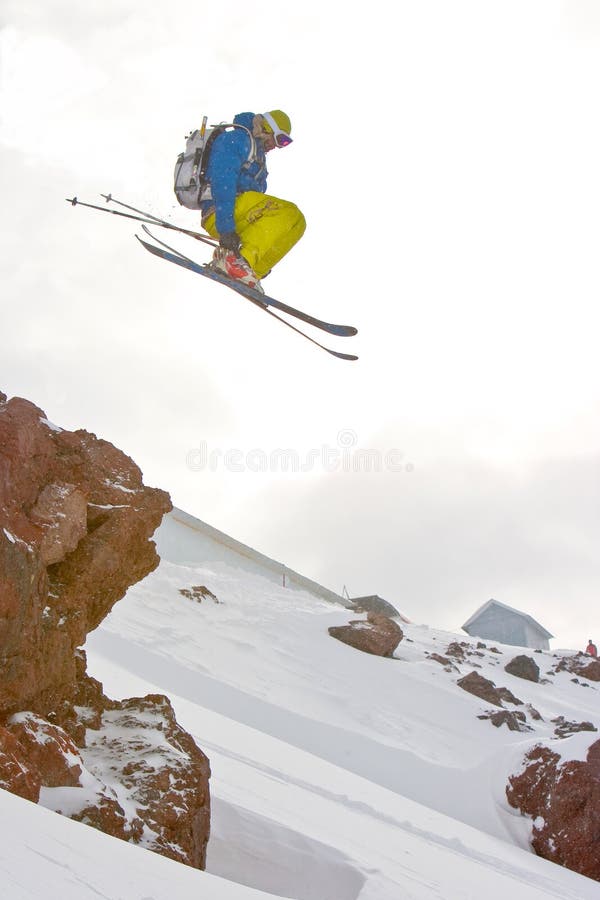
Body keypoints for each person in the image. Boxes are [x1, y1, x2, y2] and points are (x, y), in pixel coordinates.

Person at [199, 110, 306, 292]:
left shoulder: (258, 159)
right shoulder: (239, 139)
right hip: (222, 212)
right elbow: (222, 179)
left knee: (297, 223)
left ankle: (249, 271)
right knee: (288, 211)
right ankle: (236, 263)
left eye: (284, 143)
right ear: (266, 127)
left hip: (238, 216)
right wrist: (226, 228)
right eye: (279, 139)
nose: (277, 146)